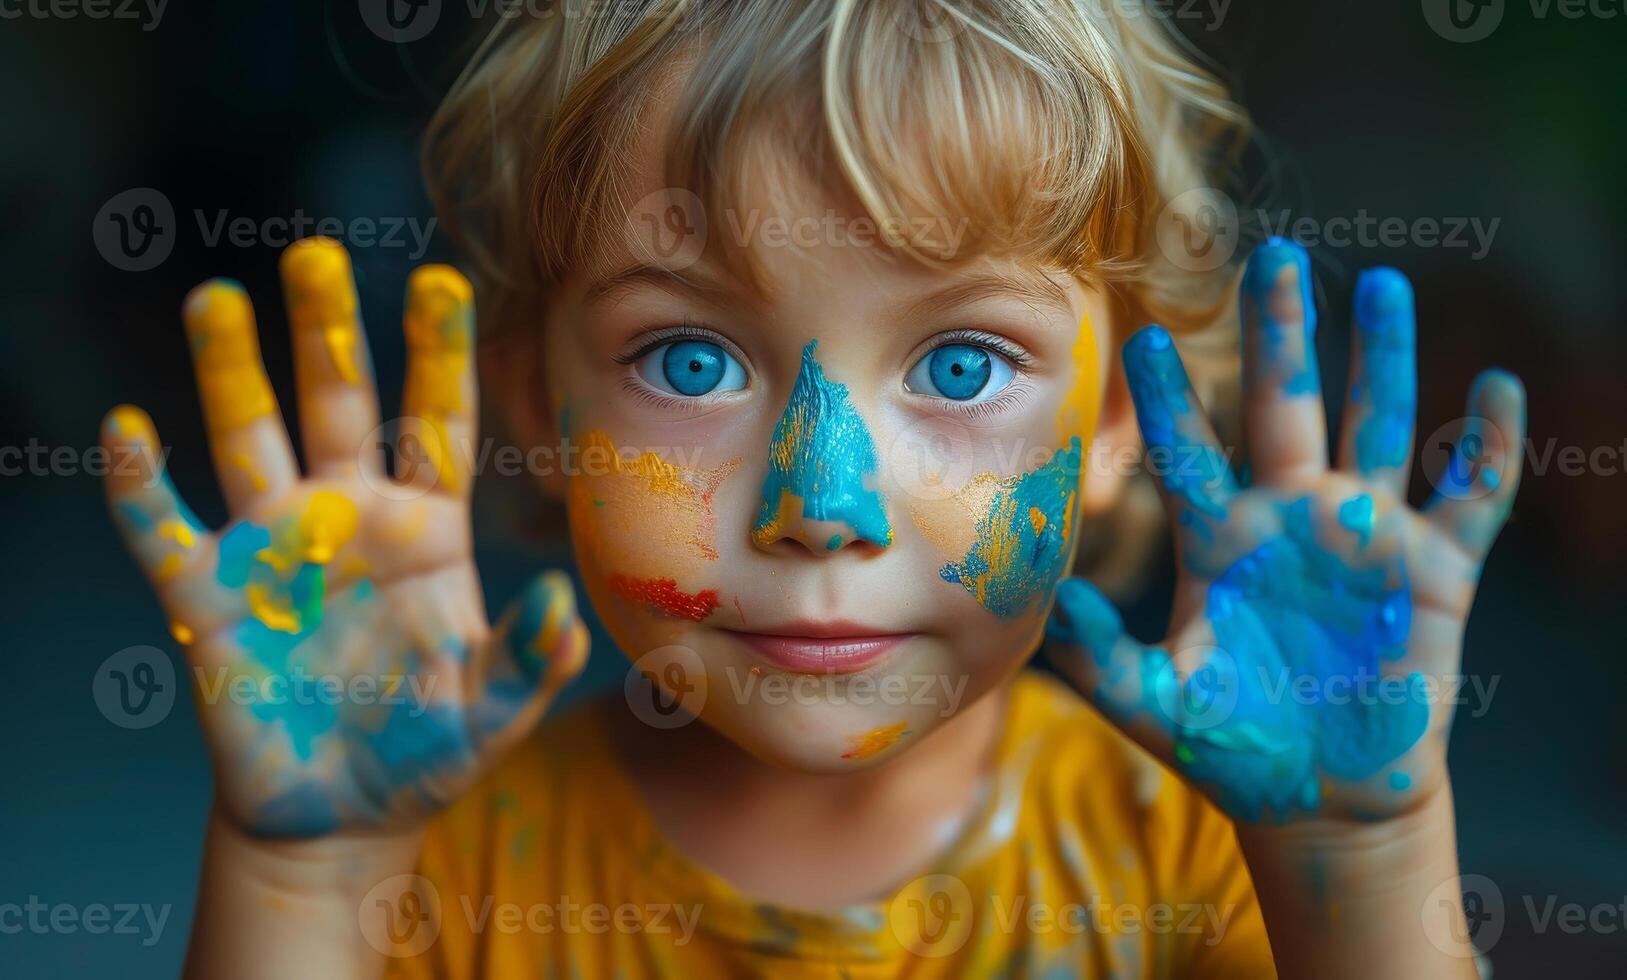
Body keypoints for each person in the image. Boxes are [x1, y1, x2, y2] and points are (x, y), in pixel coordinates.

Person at [100, 2, 1525, 975]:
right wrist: (309, 882)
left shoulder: (1208, 856)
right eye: (692, 359)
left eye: (964, 367)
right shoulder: (439, 858)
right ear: (541, 405)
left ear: (1110, 424)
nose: (819, 504)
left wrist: (1365, 855)